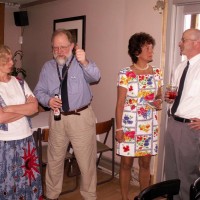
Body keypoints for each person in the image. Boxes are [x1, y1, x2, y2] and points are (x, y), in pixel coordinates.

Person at [34, 29, 101, 200]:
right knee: (54, 160)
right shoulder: (48, 67)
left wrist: (85, 61)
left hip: (80, 118)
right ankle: (51, 195)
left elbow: (96, 76)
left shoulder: (81, 63)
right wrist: (47, 100)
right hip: (57, 119)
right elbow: (39, 91)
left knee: (86, 164)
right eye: (55, 48)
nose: (59, 51)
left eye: (63, 47)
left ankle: (89, 196)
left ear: (72, 46)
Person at [115, 32, 163, 200]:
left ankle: (145, 197)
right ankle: (124, 197)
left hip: (149, 125)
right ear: (137, 52)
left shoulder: (157, 72)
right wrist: (119, 128)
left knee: (145, 163)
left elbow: (159, 96)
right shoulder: (125, 73)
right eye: (147, 48)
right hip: (128, 125)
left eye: (152, 48)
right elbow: (120, 103)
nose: (151, 51)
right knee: (126, 163)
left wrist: (158, 101)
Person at [0, 45, 42, 199]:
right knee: (7, 184)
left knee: (26, 183)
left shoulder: (20, 82)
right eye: (8, 59)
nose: (12, 62)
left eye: (12, 58)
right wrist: (24, 109)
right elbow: (1, 118)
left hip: (25, 140)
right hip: (5, 144)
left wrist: (9, 108)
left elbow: (34, 108)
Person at [164, 28, 200, 200]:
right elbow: (178, 95)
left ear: (196, 43)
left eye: (183, 39)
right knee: (171, 172)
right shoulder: (180, 66)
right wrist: (170, 99)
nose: (180, 43)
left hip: (189, 128)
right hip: (173, 123)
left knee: (186, 176)